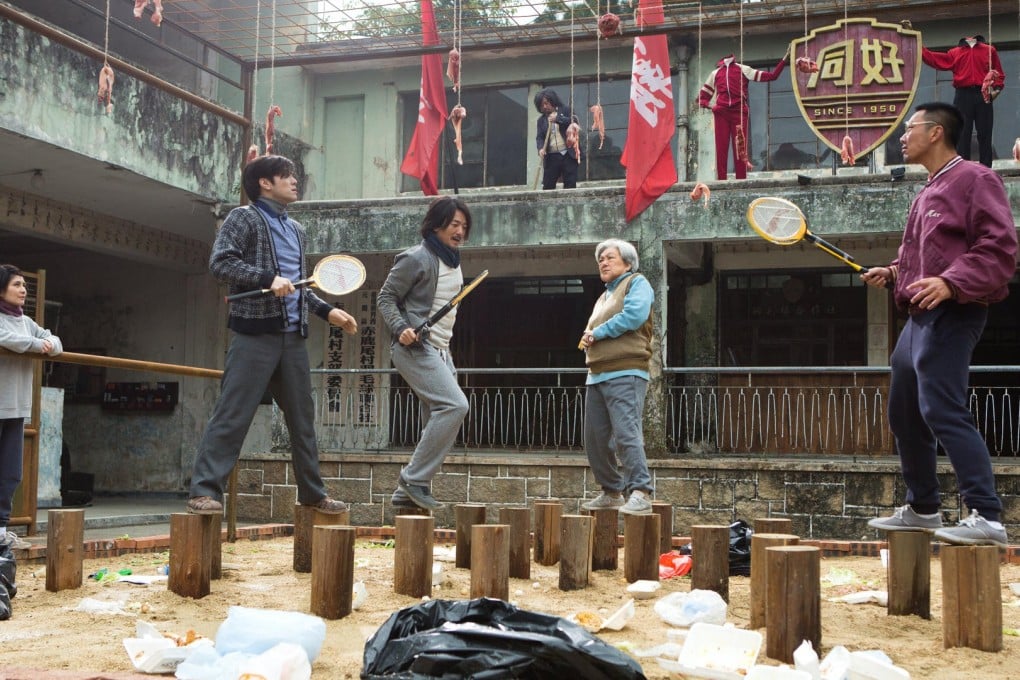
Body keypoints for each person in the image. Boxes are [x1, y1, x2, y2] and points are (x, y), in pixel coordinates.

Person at [863, 102, 1017, 547]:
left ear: (935, 133)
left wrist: (951, 283)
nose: (901, 138)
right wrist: (894, 272)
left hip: (956, 309)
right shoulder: (927, 192)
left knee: (941, 408)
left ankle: (987, 516)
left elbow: (1000, 248)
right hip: (920, 315)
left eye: (908, 129)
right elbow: (921, 258)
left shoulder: (975, 178)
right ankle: (923, 507)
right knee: (905, 412)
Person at [188, 155, 358, 515]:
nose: (295, 181)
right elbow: (220, 263)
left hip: (293, 338)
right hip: (255, 336)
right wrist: (266, 278)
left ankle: (313, 494)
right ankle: (204, 491)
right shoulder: (244, 217)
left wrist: (329, 311)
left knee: (302, 421)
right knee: (233, 415)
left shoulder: (296, 230)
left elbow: (299, 286)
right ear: (265, 182)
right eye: (286, 176)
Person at [378, 196, 472, 510]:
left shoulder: (453, 259)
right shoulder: (416, 257)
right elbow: (386, 298)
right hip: (415, 348)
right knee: (455, 406)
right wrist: (400, 327)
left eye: (464, 225)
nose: (460, 231)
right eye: (454, 224)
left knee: (436, 419)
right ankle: (414, 479)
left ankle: (406, 496)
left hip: (441, 351)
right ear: (436, 225)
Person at [578, 239, 656, 516]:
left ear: (627, 262)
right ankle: (611, 491)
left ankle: (641, 491)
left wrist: (596, 333)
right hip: (597, 373)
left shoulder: (637, 283)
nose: (603, 262)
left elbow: (634, 316)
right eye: (601, 259)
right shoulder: (604, 296)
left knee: (626, 434)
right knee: (595, 439)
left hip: (626, 370)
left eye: (610, 257)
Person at [0, 264, 63, 550]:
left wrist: (45, 342)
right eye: (16, 284)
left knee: (11, 471)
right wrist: (38, 345)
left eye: (25, 284)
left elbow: (56, 342)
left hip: (16, 407)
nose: (23, 289)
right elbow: (8, 340)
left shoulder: (27, 322)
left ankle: (1, 527)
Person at [698, 50, 788, 180]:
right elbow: (702, 98)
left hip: (739, 112)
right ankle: (721, 181)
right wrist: (713, 107)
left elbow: (772, 76)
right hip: (721, 113)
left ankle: (741, 180)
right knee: (721, 147)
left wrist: (785, 59)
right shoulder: (715, 73)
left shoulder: (743, 69)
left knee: (740, 149)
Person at [922, 36, 1005, 168]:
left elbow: (998, 72)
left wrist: (997, 89)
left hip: (982, 93)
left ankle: (986, 169)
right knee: (962, 134)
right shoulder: (955, 52)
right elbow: (933, 58)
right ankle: (962, 170)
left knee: (985, 133)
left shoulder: (989, 50)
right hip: (962, 94)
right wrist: (916, 41)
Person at [534, 88, 580, 190]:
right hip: (552, 156)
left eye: (546, 103)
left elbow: (575, 122)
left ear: (552, 101)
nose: (545, 107)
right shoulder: (541, 121)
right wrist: (541, 148)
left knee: (570, 184)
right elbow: (540, 137)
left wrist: (558, 119)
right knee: (548, 185)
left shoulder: (566, 110)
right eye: (541, 105)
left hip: (568, 154)